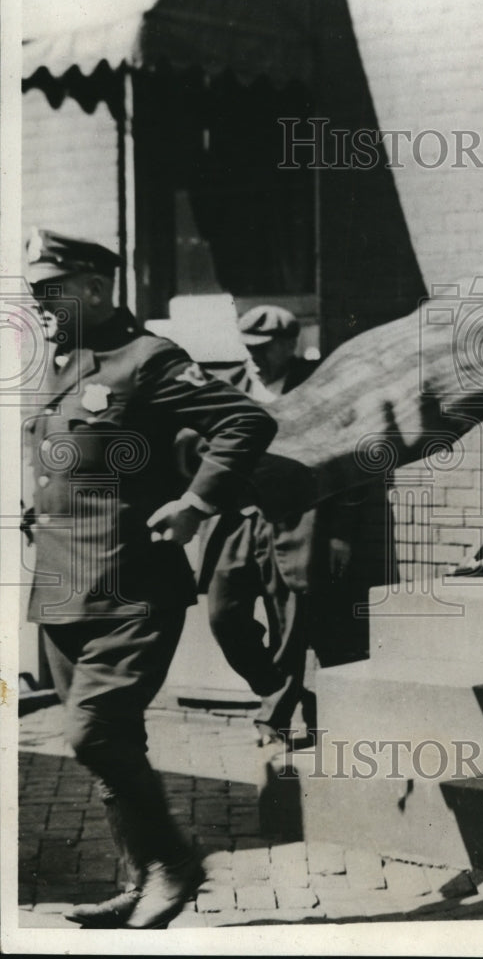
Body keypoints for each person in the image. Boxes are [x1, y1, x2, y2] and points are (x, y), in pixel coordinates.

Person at [22, 228, 277, 929]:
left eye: (50, 291)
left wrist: (197, 504)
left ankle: (172, 863)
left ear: (96, 289)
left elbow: (244, 421)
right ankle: (142, 882)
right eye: (33, 291)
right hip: (62, 588)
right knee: (113, 750)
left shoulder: (149, 360)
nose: (37, 304)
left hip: (130, 588)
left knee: (93, 733)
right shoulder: (66, 362)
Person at [199, 305, 363, 748]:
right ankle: (279, 691)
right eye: (247, 348)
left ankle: (273, 718)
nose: (253, 357)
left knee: (289, 624)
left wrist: (342, 531)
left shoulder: (319, 386)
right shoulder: (227, 385)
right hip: (238, 517)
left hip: (300, 518)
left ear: (289, 345)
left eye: (264, 348)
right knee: (224, 616)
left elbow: (351, 459)